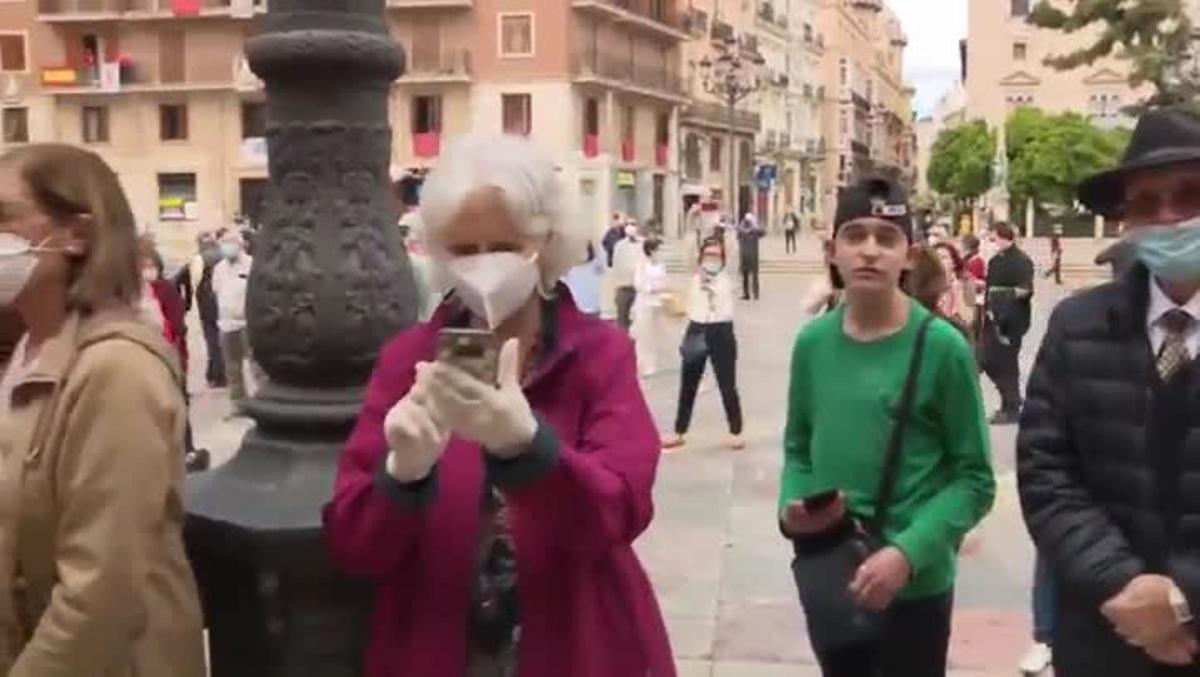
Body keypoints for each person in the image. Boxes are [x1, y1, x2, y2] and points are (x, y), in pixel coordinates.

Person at [323, 133, 674, 677]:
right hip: (438, 649)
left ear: (546, 243)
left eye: (504, 246)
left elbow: (619, 512)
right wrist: (402, 477)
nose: (484, 266)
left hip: (577, 647)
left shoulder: (600, 356)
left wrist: (532, 451)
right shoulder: (407, 362)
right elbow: (354, 545)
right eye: (465, 250)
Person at [0, 143, 205, 676]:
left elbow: (99, 593)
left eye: (3, 217)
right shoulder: (23, 354)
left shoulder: (115, 370)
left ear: (77, 235)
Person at [779, 176, 995, 677]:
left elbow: (975, 480)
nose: (870, 251)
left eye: (887, 237)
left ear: (910, 255)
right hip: (835, 577)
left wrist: (908, 552)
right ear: (832, 251)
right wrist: (791, 508)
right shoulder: (812, 343)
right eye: (855, 236)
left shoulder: (943, 348)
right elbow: (798, 447)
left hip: (915, 587)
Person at [1018, 105, 1200, 677]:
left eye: (1190, 195)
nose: (1169, 217)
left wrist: (1181, 599)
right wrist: (1120, 583)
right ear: (1125, 221)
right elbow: (1046, 470)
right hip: (1103, 634)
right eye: (1146, 203)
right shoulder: (1077, 325)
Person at [661, 237, 744, 452]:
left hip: (721, 331)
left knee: (727, 383)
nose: (712, 259)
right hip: (696, 329)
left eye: (716, 255)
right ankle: (679, 431)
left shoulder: (728, 276)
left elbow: (734, 249)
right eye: (708, 255)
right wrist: (693, 216)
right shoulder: (696, 275)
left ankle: (736, 432)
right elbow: (687, 246)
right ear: (701, 258)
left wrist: (724, 228)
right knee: (688, 382)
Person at [139, 237, 210, 473]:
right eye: (142, 266)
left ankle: (187, 451)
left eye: (150, 265)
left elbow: (179, 324)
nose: (147, 271)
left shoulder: (166, 290)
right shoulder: (133, 293)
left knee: (178, 404)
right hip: (145, 359)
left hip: (170, 356)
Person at [981, 222, 1034, 424]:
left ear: (1004, 237)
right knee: (987, 359)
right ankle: (1011, 398)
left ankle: (1010, 407)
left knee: (1007, 363)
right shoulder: (995, 261)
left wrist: (1001, 296)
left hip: (1013, 320)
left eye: (994, 239)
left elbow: (1025, 290)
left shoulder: (1022, 261)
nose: (992, 243)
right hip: (992, 318)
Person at [212, 228, 257, 416]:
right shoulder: (219, 268)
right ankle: (238, 403)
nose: (227, 247)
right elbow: (217, 291)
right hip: (226, 324)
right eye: (224, 243)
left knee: (256, 366)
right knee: (232, 367)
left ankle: (264, 402)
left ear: (241, 245)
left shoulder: (251, 264)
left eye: (231, 242)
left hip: (247, 324)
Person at [190, 230, 225, 388]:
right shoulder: (223, 255)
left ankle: (214, 373)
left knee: (211, 338)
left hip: (206, 301)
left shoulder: (199, 258)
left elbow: (195, 280)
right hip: (223, 299)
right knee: (221, 336)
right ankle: (222, 372)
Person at [632, 238, 669, 377]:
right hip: (644, 302)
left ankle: (653, 363)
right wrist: (650, 288)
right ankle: (643, 365)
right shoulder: (642, 265)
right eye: (659, 250)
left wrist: (663, 291)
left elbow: (664, 281)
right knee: (644, 335)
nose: (661, 253)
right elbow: (638, 283)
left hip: (658, 302)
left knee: (656, 334)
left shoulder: (661, 265)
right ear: (651, 251)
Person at [610, 221, 641, 332]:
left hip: (639, 288)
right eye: (628, 224)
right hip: (623, 286)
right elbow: (615, 264)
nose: (631, 227)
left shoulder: (643, 244)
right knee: (622, 320)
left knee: (640, 321)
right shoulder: (619, 245)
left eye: (633, 224)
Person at [562, 241, 605, 316]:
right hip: (592, 304)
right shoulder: (597, 253)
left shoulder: (567, 262)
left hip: (578, 305)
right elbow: (603, 268)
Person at [737, 211, 764, 301]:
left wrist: (755, 226)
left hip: (747, 256)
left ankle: (749, 294)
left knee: (749, 276)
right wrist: (755, 225)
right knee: (751, 276)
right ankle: (752, 294)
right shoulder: (752, 230)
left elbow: (762, 232)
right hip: (751, 256)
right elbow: (762, 232)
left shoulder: (752, 230)